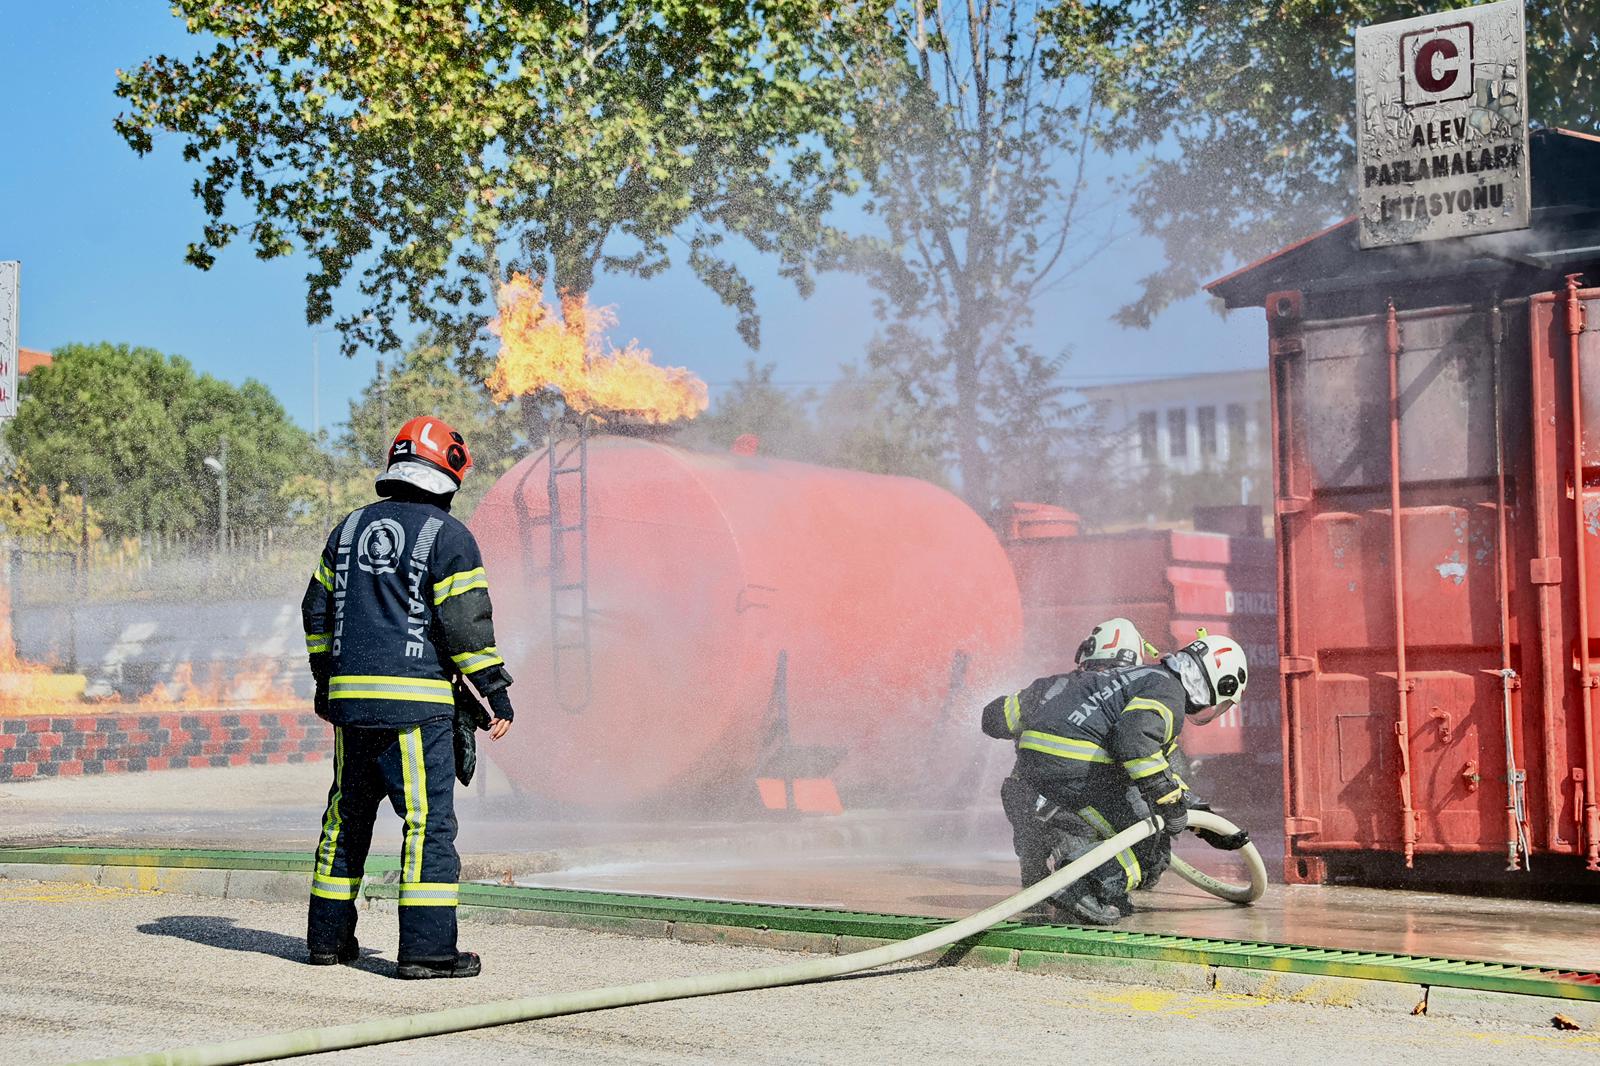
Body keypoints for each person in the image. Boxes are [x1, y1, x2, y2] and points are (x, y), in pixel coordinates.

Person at [300, 416, 516, 978]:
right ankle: (426, 951)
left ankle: (327, 941)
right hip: (416, 711)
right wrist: (494, 693)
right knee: (426, 824)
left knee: (345, 818)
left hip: (351, 708)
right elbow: (466, 627)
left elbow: (315, 611)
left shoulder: (346, 530)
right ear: (448, 469)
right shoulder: (449, 537)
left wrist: (328, 680)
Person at [981, 633, 1248, 925]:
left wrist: (1205, 822)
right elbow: (1134, 742)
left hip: (1033, 772)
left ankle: (1076, 877)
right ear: (1220, 683)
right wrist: (1167, 801)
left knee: (1130, 814)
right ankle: (1082, 883)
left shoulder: (1142, 676)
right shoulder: (1168, 691)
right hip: (1075, 769)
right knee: (1151, 841)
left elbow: (1160, 764)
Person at [997, 618, 1150, 890]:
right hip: (1081, 798)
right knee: (1140, 850)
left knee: (1035, 841)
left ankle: (1038, 873)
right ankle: (1082, 884)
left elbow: (994, 720)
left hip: (1023, 794)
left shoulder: (1052, 687)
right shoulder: (1131, 696)